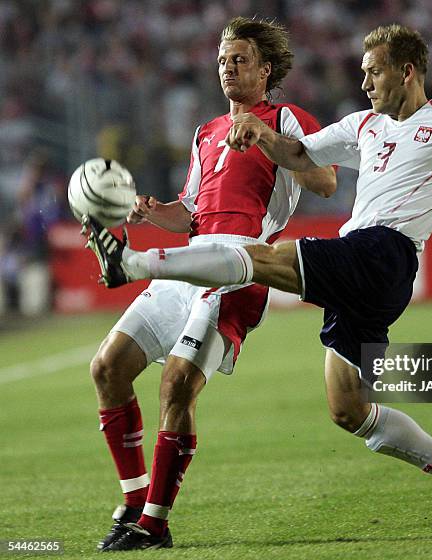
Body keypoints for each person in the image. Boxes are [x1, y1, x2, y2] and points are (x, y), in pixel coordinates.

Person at [85, 24, 432, 534]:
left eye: (373, 72)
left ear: (406, 71)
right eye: (362, 73)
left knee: (266, 259)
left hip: (384, 251)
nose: (365, 83)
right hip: (364, 264)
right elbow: (302, 155)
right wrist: (262, 138)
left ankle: (134, 264)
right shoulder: (363, 126)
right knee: (347, 405)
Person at [86, 17, 335, 551]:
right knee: (107, 368)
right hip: (189, 261)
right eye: (223, 59)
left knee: (177, 384)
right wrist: (155, 212)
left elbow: (326, 179)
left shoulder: (287, 118)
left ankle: (153, 522)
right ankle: (133, 500)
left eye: (239, 58)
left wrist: (269, 139)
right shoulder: (207, 131)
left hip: (241, 268)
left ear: (266, 69)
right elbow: (194, 213)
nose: (228, 67)